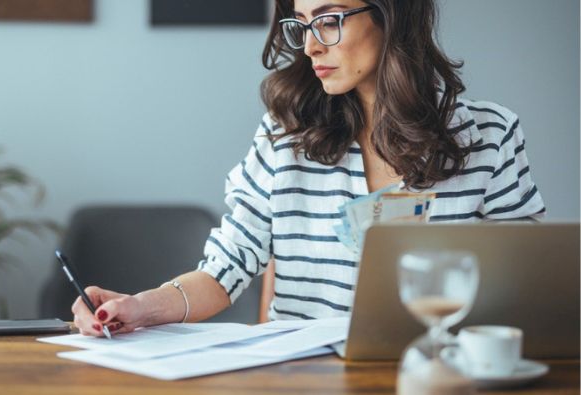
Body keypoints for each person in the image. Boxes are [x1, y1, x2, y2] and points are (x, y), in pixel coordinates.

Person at [72, 0, 546, 336]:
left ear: (392, 15)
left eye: (330, 21)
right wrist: (138, 308)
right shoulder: (286, 136)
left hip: (440, 376)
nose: (311, 47)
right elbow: (224, 269)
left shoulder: (488, 135)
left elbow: (531, 283)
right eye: (301, 25)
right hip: (303, 379)